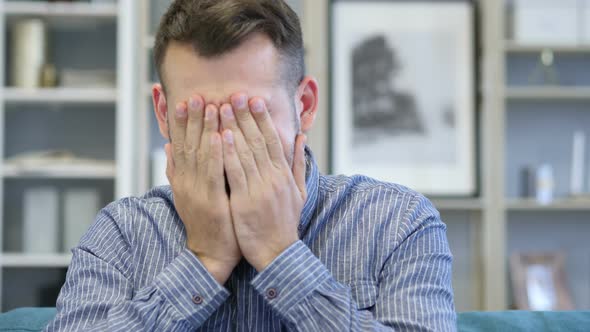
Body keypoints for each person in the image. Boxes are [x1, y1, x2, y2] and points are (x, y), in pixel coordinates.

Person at [45, 0, 456, 331]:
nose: (227, 143)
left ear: (305, 105)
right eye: (201, 118)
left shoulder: (399, 223)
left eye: (251, 116)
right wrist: (203, 263)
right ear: (163, 112)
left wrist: (281, 256)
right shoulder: (121, 234)